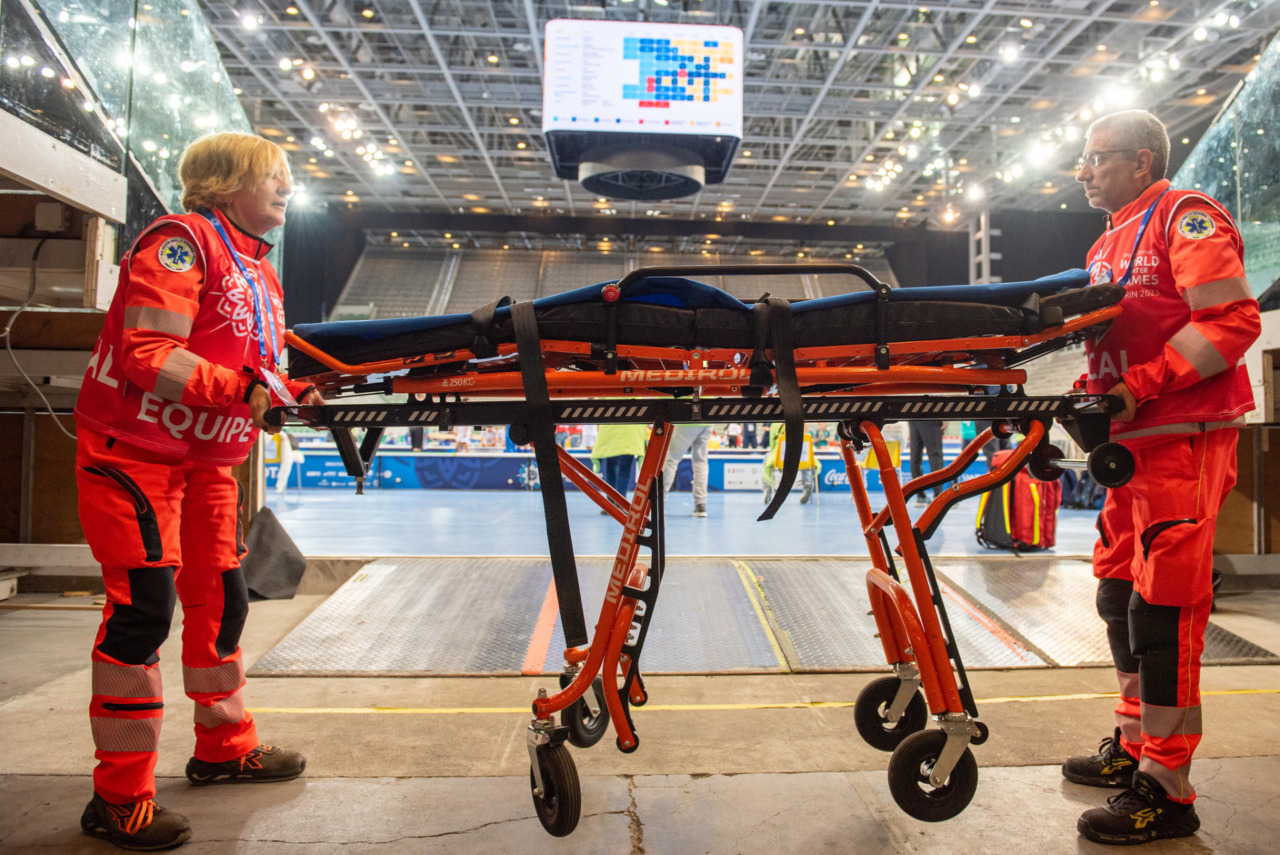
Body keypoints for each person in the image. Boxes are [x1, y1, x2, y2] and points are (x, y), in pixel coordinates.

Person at [73, 131, 322, 851]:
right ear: (223, 184)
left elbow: (259, 365)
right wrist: (243, 388)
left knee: (223, 601)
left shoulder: (258, 271)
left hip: (207, 462)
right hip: (136, 456)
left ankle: (222, 747)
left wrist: (295, 387)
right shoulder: (180, 243)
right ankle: (118, 795)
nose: (285, 188)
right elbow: (148, 353)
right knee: (142, 611)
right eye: (271, 176)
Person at [1063, 110, 1259, 845]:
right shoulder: (1106, 241)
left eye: (1095, 159)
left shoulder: (1187, 217)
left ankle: (1168, 787)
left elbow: (1232, 321)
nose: (1083, 171)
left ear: (1141, 161)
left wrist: (1139, 385)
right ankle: (1135, 743)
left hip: (1184, 438)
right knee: (1118, 593)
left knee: (1165, 612)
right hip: (1131, 445)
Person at [590, 423, 649, 511]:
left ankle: (611, 502)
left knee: (611, 465)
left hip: (611, 428)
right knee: (624, 468)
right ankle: (621, 503)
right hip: (632, 430)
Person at [661, 424, 712, 517]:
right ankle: (701, 504)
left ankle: (659, 502)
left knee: (671, 459)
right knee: (701, 461)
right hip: (707, 422)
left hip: (686, 421)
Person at [907, 419, 944, 505]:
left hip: (912, 418)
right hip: (930, 416)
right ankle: (938, 495)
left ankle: (920, 496)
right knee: (935, 455)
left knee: (915, 456)